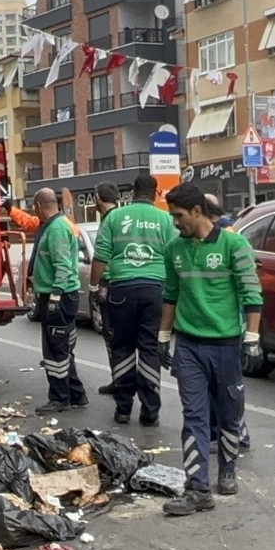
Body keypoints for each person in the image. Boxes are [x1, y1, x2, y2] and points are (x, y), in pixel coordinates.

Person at [159, 183, 263, 515]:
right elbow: (170, 295)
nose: (175, 223)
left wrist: (253, 339)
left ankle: (228, 470)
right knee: (194, 417)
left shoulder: (235, 245)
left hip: (226, 345)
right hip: (189, 344)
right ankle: (197, 489)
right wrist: (164, 336)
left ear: (197, 212)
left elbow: (251, 293)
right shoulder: (174, 248)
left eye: (178, 216)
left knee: (230, 413)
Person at [90, 175, 175, 426]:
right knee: (149, 349)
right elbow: (173, 257)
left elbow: (101, 255)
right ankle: (150, 412)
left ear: (131, 193)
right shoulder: (165, 219)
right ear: (156, 194)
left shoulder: (115, 217)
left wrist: (94, 287)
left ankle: (123, 409)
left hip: (122, 289)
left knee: (123, 347)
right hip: (155, 289)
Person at [202, 192, 253, 452]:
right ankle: (234, 433)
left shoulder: (226, 239)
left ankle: (229, 434)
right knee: (229, 386)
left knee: (223, 387)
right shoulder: (231, 233)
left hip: (226, 324)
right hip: (232, 321)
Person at [30, 188, 88, 415]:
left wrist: (55, 296)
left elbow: (62, 265)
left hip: (58, 296)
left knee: (55, 352)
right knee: (63, 348)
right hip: (62, 295)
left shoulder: (56, 229)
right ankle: (76, 394)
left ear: (38, 205)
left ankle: (59, 398)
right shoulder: (57, 225)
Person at [89, 182, 121, 397]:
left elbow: (101, 256)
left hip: (109, 284)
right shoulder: (119, 217)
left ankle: (120, 380)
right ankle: (119, 378)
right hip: (122, 283)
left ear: (98, 198)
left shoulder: (110, 221)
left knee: (112, 335)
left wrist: (93, 286)